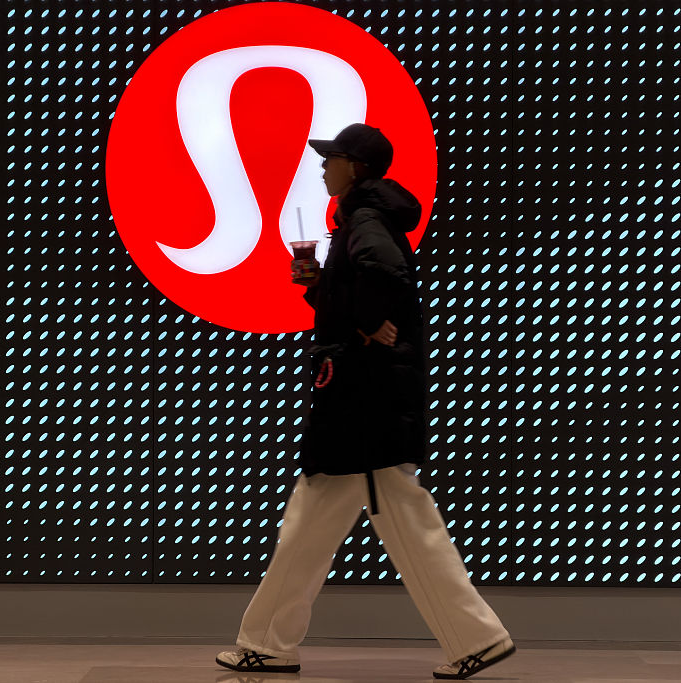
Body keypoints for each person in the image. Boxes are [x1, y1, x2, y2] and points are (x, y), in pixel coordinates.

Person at [215, 124, 515, 680]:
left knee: (370, 522)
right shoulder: (363, 218)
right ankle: (269, 643)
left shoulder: (366, 220)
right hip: (363, 403)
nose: (322, 167)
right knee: (321, 524)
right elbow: (364, 285)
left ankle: (476, 637)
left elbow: (385, 273)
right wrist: (320, 287)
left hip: (362, 404)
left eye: (331, 159)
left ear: (355, 167)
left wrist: (368, 321)